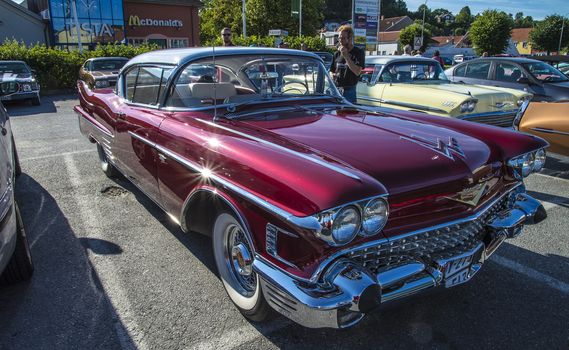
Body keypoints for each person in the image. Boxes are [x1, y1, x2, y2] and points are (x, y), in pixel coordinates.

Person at [330, 25, 365, 103]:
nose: (340, 40)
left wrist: (346, 56)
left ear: (350, 39)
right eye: (339, 38)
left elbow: (357, 72)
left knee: (348, 113)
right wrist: (332, 75)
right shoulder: (336, 54)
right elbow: (332, 70)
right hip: (337, 89)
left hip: (349, 90)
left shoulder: (358, 52)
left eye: (342, 38)